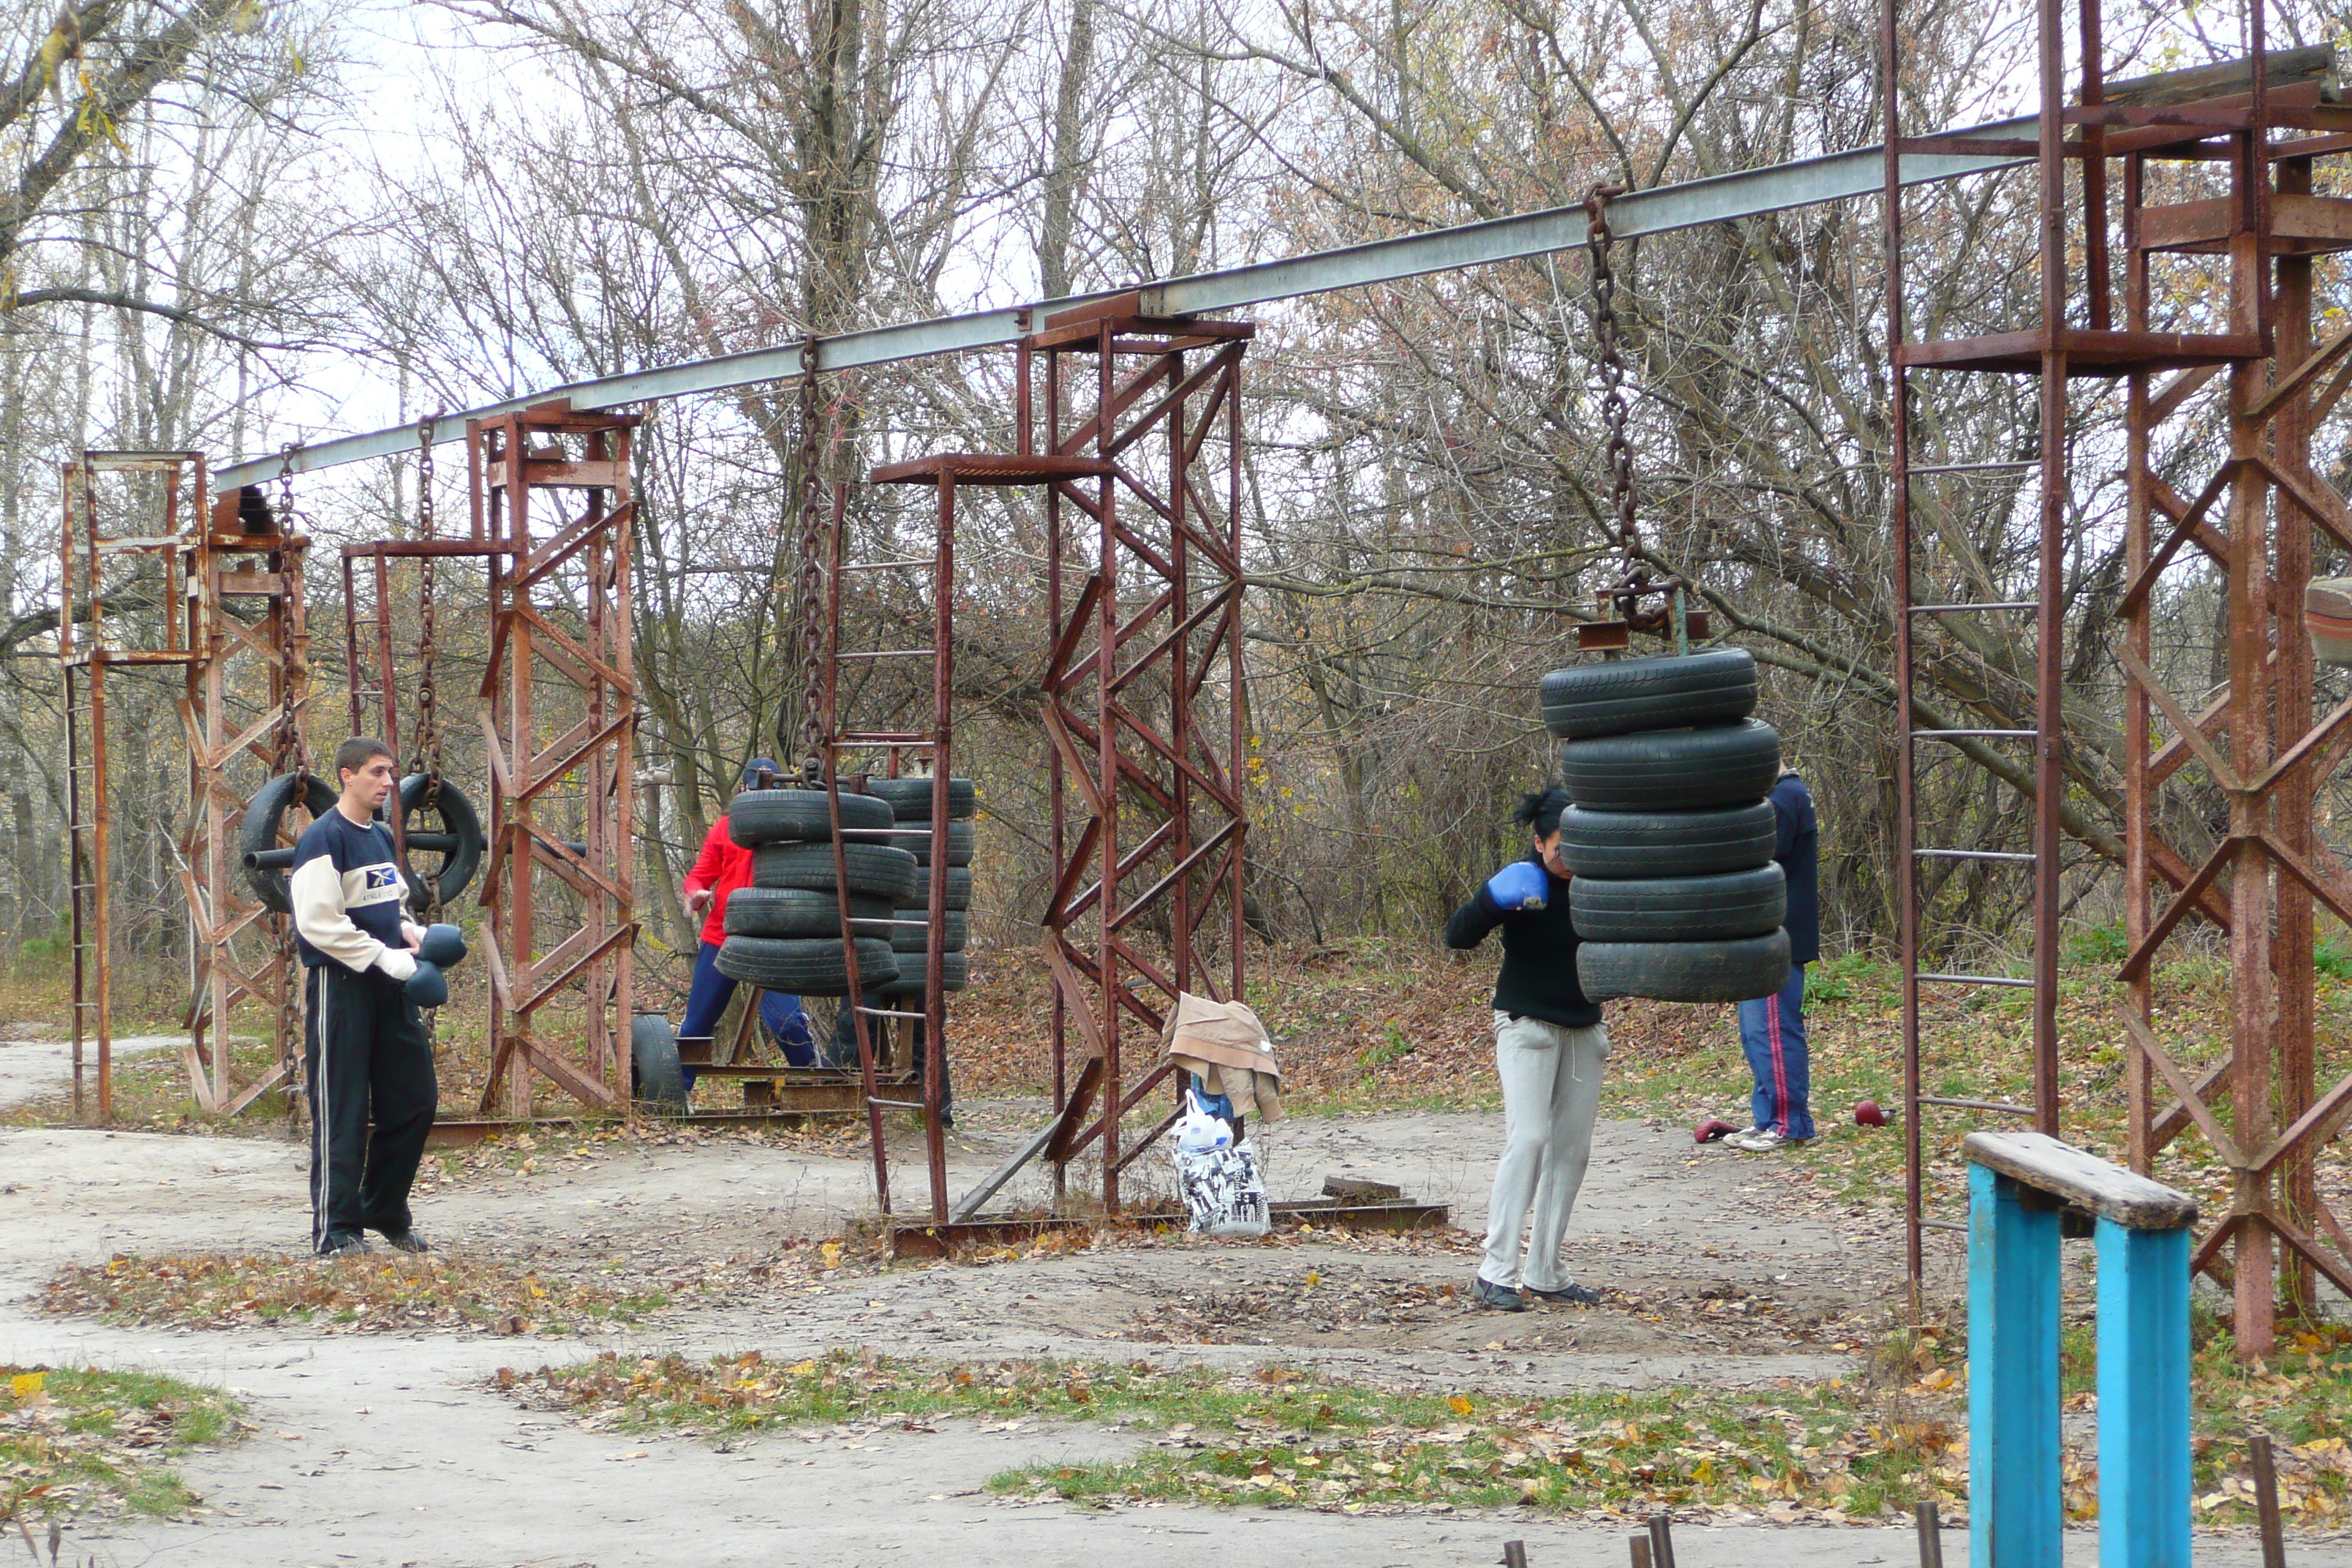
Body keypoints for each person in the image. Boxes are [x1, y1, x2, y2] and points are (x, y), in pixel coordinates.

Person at [1443, 785, 1607, 1311]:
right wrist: (1489, 901)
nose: (1570, 860)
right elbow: (1458, 937)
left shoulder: (1602, 885)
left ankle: (1546, 1271)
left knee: (1572, 1152)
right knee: (1530, 1138)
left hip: (1584, 1028)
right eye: (1561, 849)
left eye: (1579, 847)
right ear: (1540, 843)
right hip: (1526, 1025)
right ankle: (1495, 1271)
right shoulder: (1524, 884)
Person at [290, 736, 434, 1258]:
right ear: (348, 776)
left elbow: (389, 901)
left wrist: (407, 932)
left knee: (415, 1101)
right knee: (343, 1107)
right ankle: (337, 1229)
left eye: (390, 773)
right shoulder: (324, 839)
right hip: (341, 985)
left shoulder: (377, 837)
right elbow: (318, 923)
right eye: (377, 772)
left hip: (390, 982)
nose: (388, 782)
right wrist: (382, 955)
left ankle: (383, 1206)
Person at [679, 758, 818, 1093]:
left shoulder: (793, 832)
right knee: (697, 1024)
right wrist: (694, 893)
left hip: (774, 938)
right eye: (754, 792)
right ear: (743, 790)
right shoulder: (725, 827)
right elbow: (701, 873)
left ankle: (816, 1085)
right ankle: (672, 1096)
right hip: (722, 935)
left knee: (786, 1023)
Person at [1725, 766, 1820, 1153]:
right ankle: (1767, 1119)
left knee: (1774, 1034)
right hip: (1759, 940)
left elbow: (1755, 856)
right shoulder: (1779, 797)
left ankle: (1789, 1123)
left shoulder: (1783, 799)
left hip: (1777, 940)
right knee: (1755, 1033)